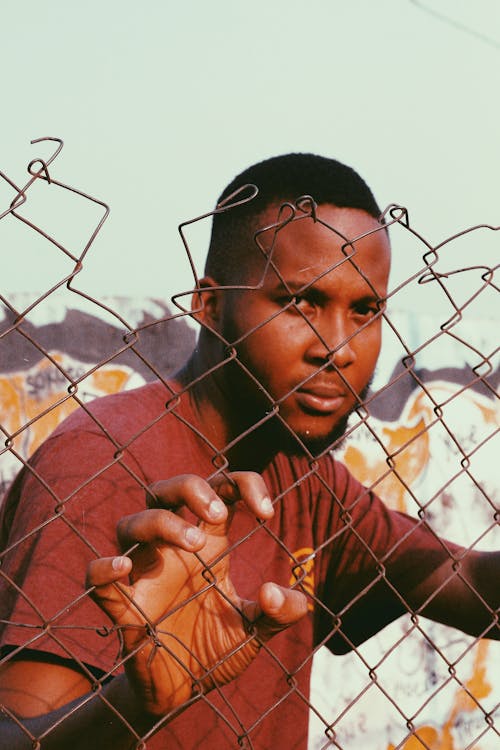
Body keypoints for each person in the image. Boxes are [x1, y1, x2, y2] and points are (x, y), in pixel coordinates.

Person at [0, 153, 498, 749]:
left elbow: (462, 581)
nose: (337, 348)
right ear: (209, 304)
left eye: (364, 310)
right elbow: (15, 735)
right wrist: (137, 703)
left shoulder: (298, 473)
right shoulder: (101, 460)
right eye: (298, 303)